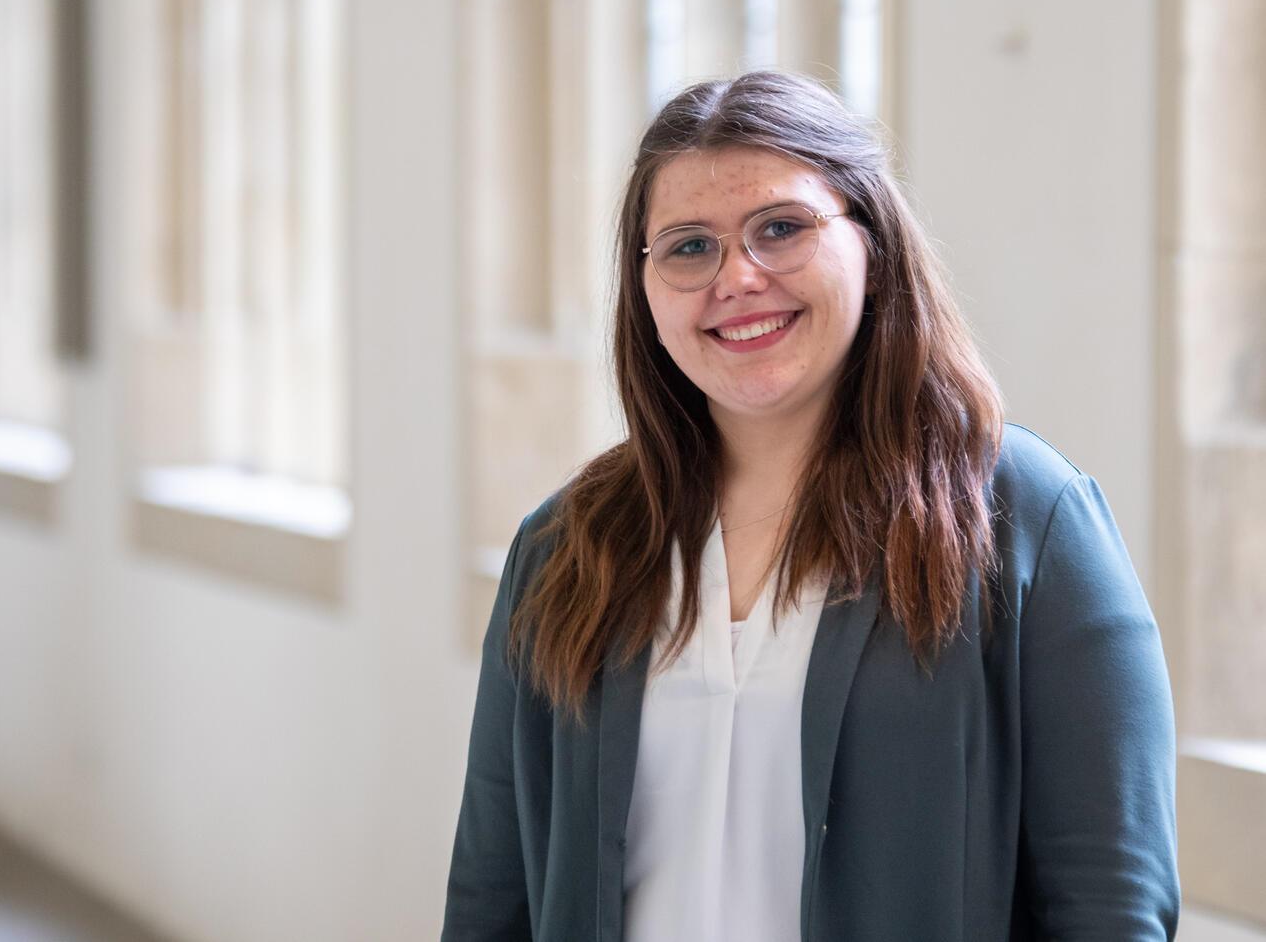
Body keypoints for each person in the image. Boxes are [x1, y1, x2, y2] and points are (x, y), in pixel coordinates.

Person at [441, 70, 1179, 941]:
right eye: (688, 247)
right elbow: (492, 897)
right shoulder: (567, 547)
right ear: (644, 288)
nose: (737, 278)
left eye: (781, 229)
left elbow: (1110, 905)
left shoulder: (1029, 520)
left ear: (871, 240)